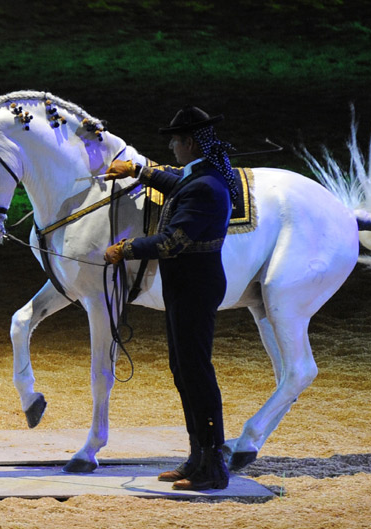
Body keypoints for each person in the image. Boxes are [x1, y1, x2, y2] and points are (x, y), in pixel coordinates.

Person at [103, 106, 236, 491]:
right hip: (186, 287)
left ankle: (213, 464)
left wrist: (125, 249)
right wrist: (139, 171)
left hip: (195, 287)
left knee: (196, 372)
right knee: (184, 371)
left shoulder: (206, 189)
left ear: (190, 143)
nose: (172, 147)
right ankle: (199, 456)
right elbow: (175, 181)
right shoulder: (200, 177)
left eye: (175, 141)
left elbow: (172, 242)